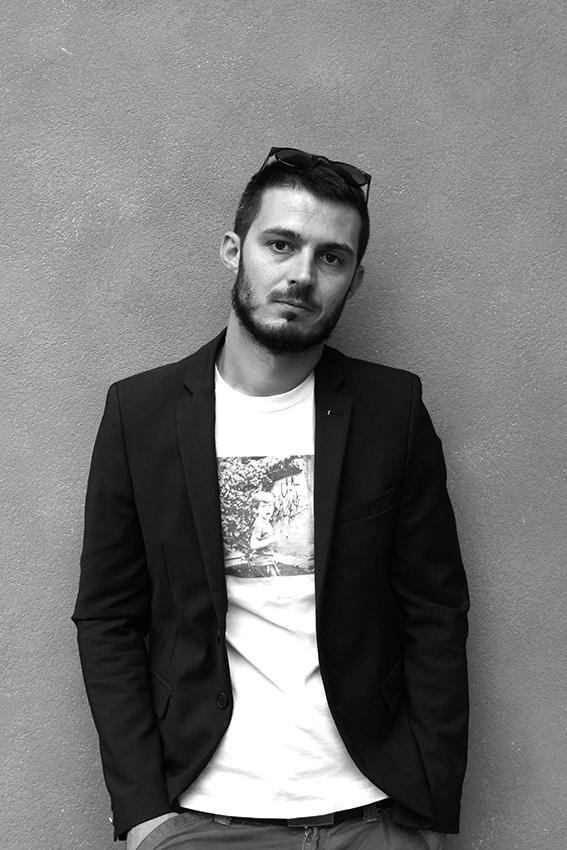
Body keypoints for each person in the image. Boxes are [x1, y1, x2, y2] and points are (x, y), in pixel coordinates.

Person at [73, 146, 469, 850]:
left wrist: (433, 812)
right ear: (235, 250)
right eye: (280, 244)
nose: (301, 275)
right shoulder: (141, 413)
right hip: (200, 817)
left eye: (331, 257)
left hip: (371, 815)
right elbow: (108, 617)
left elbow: (435, 613)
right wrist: (141, 814)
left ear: (353, 279)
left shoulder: (392, 411)